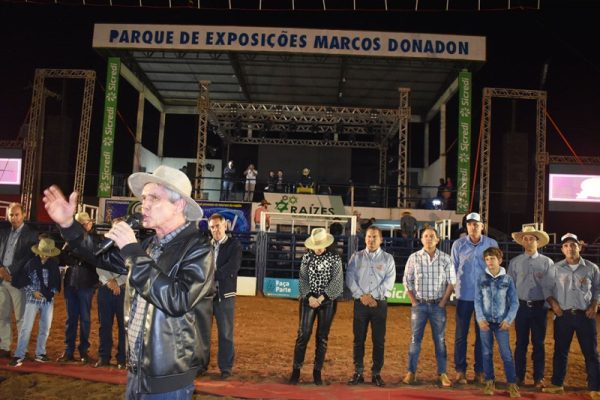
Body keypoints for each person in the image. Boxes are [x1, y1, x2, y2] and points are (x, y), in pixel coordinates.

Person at [42, 165, 215, 399]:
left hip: (169, 378)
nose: (144, 205)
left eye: (154, 198)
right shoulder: (149, 246)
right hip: (137, 371)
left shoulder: (198, 248)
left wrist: (133, 252)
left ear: (179, 205)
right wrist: (68, 225)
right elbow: (100, 255)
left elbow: (177, 299)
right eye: (144, 198)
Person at [542, 233, 600, 399]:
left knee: (591, 352)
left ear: (579, 247)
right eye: (566, 245)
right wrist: (553, 304)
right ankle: (557, 384)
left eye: (573, 245)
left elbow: (597, 288)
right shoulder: (555, 268)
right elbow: (547, 289)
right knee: (560, 351)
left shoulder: (591, 268)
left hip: (585, 315)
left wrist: (595, 304)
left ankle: (595, 387)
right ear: (562, 249)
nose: (570, 248)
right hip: (563, 316)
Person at [402, 227, 456, 387]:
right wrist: (413, 301)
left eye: (432, 236)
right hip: (419, 305)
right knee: (415, 340)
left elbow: (451, 282)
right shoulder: (414, 258)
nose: (429, 238)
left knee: (440, 340)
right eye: (426, 236)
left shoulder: (446, 259)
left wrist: (443, 303)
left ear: (437, 240)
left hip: (437, 306)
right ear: (421, 239)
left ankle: (442, 373)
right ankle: (411, 372)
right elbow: (407, 280)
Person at [289, 228, 343, 385]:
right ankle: (296, 371)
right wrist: (310, 296)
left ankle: (317, 372)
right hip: (309, 300)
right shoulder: (307, 257)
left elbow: (337, 282)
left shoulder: (335, 258)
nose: (318, 249)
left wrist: (321, 298)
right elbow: (303, 279)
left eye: (320, 245)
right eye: (315, 246)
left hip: (327, 301)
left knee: (322, 337)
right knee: (303, 335)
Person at [451, 212, 498, 385]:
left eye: (476, 224)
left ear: (482, 226)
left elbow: (496, 269)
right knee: (460, 335)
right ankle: (460, 371)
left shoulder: (491, 244)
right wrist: (454, 288)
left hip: (485, 298)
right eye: (470, 224)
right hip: (464, 296)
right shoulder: (458, 244)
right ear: (466, 227)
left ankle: (480, 371)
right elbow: (453, 268)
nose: (473, 227)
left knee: (483, 336)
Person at [346, 226, 396, 387]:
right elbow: (349, 278)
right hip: (360, 303)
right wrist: (362, 296)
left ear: (381, 239)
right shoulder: (356, 257)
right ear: (365, 238)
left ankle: (376, 373)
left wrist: (372, 297)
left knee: (378, 340)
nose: (371, 240)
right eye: (368, 236)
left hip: (379, 304)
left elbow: (389, 281)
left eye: (375, 237)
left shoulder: (388, 259)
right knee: (358, 339)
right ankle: (358, 372)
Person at [508, 226, 554, 388]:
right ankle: (519, 376)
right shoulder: (515, 262)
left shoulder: (547, 262)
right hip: (521, 307)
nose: (528, 241)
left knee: (538, 343)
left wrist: (547, 307)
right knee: (520, 343)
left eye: (531, 239)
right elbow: (510, 286)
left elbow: (551, 286)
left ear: (537, 241)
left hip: (539, 308)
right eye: (525, 239)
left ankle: (538, 377)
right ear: (522, 242)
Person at [474, 247, 520, 398]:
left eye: (492, 258)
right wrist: (480, 318)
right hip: (485, 323)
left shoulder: (507, 279)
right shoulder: (481, 278)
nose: (489, 261)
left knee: (506, 354)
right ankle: (489, 381)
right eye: (487, 259)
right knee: (486, 353)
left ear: (500, 260)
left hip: (501, 324)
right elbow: (477, 300)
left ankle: (512, 383)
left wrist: (508, 320)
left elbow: (514, 302)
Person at [9, 238, 61, 367]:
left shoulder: (53, 264)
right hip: (33, 299)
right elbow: (24, 280)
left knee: (45, 328)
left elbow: (56, 281)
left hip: (47, 300)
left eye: (47, 253)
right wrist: (33, 292)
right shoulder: (31, 263)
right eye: (43, 253)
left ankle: (40, 353)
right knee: (26, 328)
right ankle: (19, 354)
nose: (44, 256)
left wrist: (51, 292)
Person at [57, 211, 99, 364]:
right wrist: (79, 259)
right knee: (72, 318)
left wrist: (76, 258)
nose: (87, 225)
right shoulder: (72, 240)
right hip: (72, 282)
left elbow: (93, 260)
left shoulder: (94, 240)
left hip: (86, 283)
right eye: (83, 223)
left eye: (86, 223)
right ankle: (69, 350)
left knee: (85, 318)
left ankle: (83, 350)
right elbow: (63, 257)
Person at [0, 202, 38, 359]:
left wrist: (9, 271)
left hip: (18, 280)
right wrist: (1, 270)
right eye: (11, 215)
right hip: (2, 280)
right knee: (2, 315)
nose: (14, 218)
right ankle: (4, 347)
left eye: (17, 214)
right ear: (7, 216)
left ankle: (23, 349)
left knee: (21, 316)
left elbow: (27, 258)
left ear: (23, 215)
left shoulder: (31, 234)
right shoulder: (3, 233)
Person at [208, 213, 242, 379]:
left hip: (225, 294)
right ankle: (201, 365)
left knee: (226, 333)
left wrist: (210, 276)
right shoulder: (206, 245)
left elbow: (233, 266)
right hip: (206, 296)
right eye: (212, 227)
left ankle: (226, 368)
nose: (215, 230)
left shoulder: (234, 245)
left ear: (225, 226)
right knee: (202, 333)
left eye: (218, 226)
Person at [94, 217, 128, 369]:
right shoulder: (104, 246)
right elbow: (98, 265)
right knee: (105, 325)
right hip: (106, 289)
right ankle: (104, 356)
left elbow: (132, 268)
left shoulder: (130, 247)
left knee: (123, 326)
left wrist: (118, 282)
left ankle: (122, 358)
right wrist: (109, 281)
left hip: (123, 290)